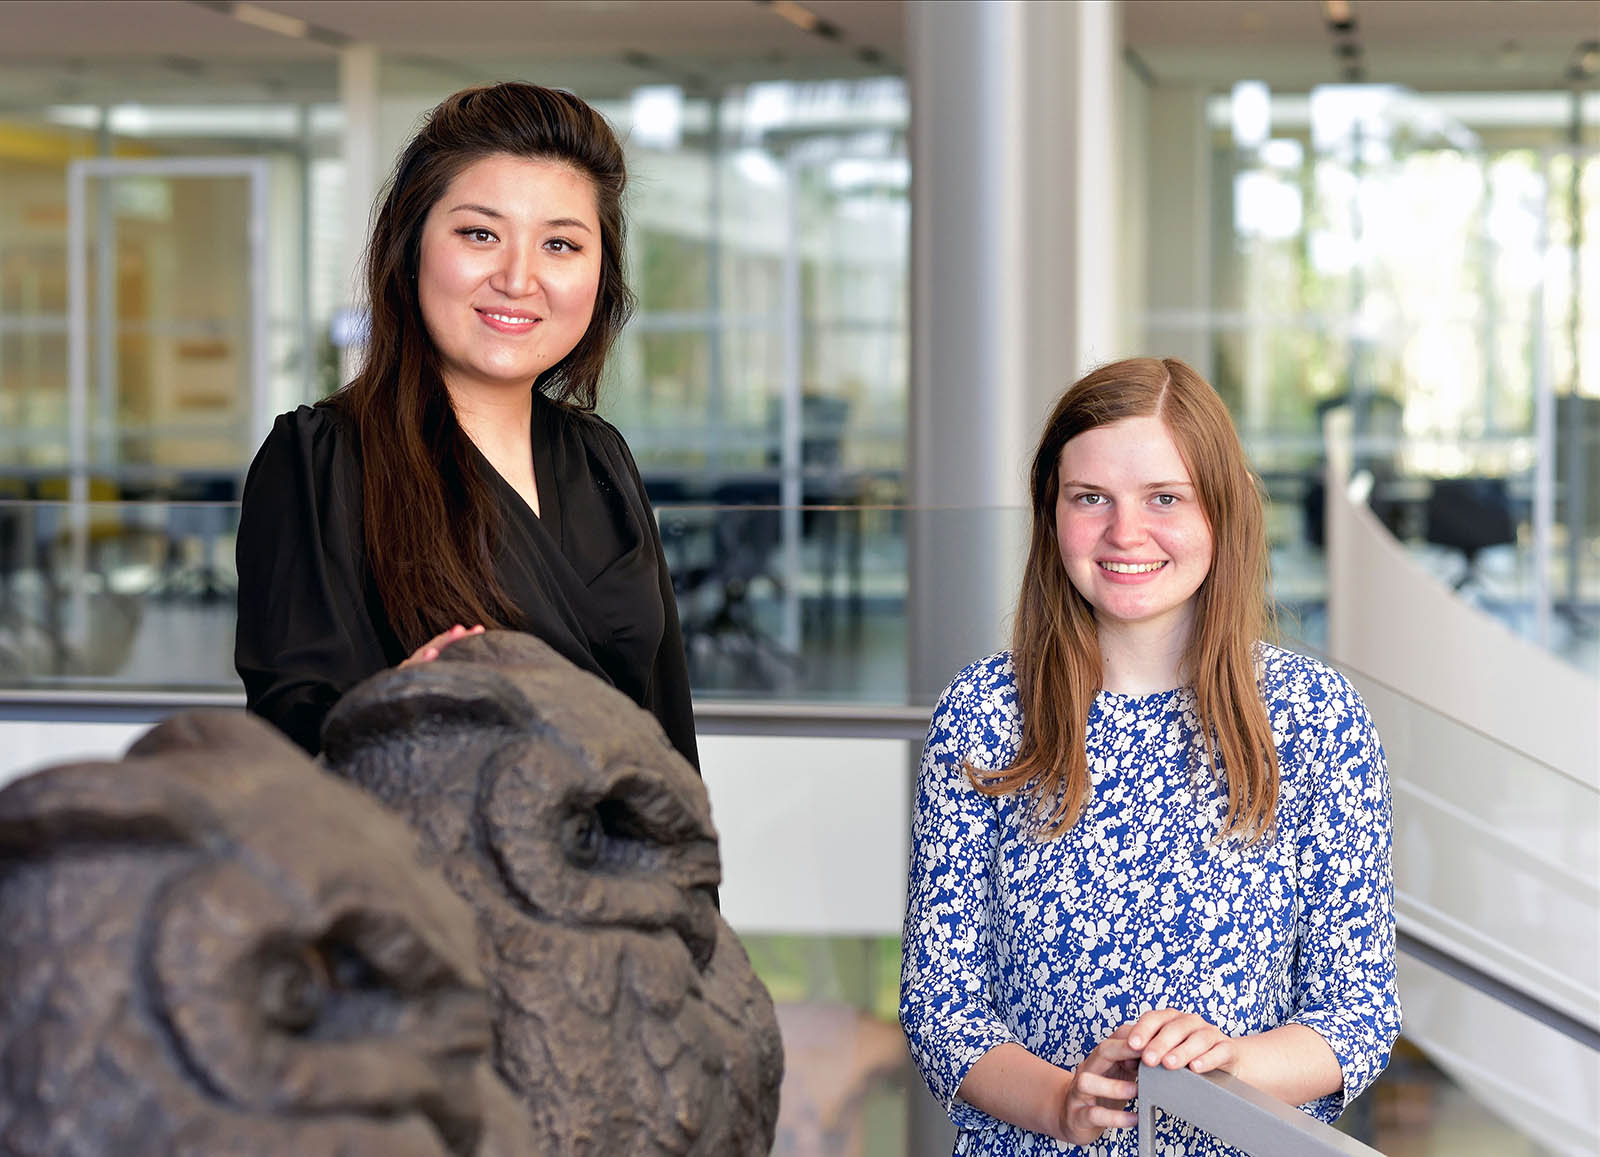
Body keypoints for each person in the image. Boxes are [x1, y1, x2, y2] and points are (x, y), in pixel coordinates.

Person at [899, 357, 1399, 1154]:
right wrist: (1064, 1100)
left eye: (1164, 497)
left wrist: (1233, 1065)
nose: (1124, 533)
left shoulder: (1314, 720)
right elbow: (940, 1003)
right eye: (1089, 498)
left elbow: (1358, 1012)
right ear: (1051, 513)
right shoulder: (986, 712)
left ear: (1219, 513)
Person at [235, 83, 698, 770]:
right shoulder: (322, 458)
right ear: (411, 244)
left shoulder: (599, 457)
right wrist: (386, 713)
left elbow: (666, 732)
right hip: (420, 870)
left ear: (601, 275)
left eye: (562, 245)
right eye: (480, 233)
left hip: (617, 870)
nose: (518, 278)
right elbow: (289, 733)